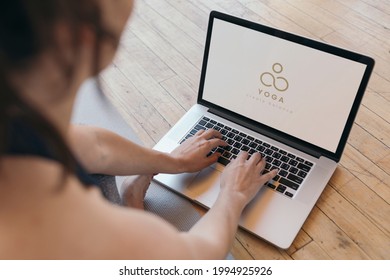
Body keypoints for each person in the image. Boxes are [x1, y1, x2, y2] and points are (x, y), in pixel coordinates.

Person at [0, 0, 277, 259]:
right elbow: (196, 257)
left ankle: (132, 198)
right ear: (80, 35)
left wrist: (175, 162)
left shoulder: (17, 111)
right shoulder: (66, 230)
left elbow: (94, 145)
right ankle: (133, 203)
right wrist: (233, 195)